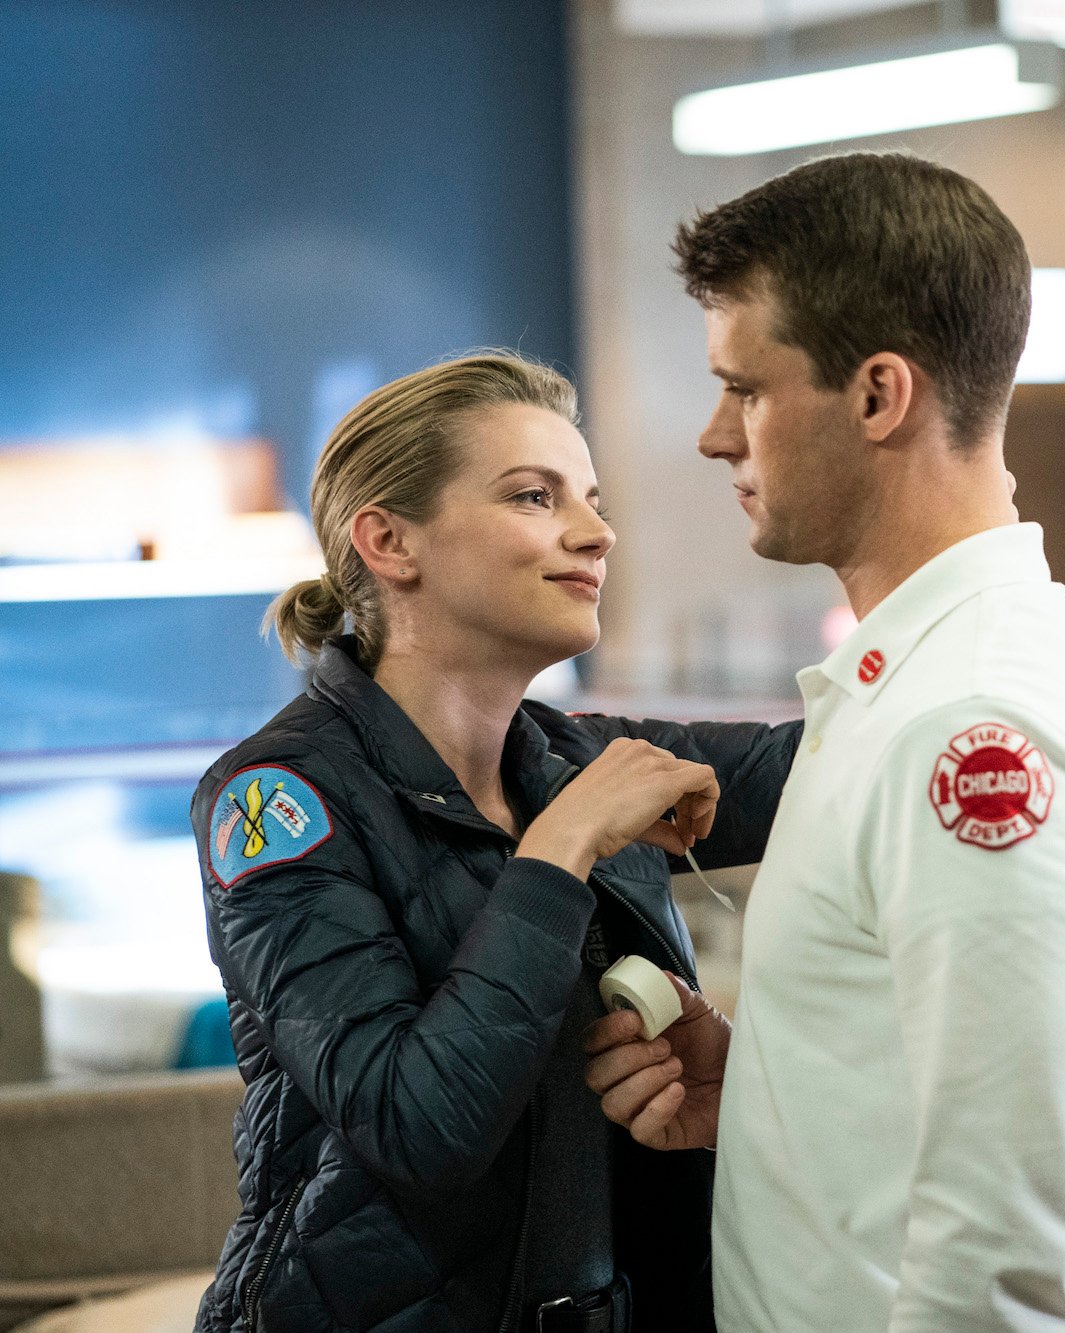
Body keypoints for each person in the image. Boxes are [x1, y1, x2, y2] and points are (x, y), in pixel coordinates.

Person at [587, 153, 1065, 1330]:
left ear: (877, 396)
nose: (714, 436)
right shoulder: (921, 682)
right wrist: (769, 1088)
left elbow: (1002, 1262)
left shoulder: (966, 728)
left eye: (743, 388)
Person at [189, 353, 796, 1333]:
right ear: (388, 541)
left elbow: (855, 757)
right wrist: (557, 849)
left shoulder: (582, 760)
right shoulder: (277, 797)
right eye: (533, 495)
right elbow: (415, 1126)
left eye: (590, 499)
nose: (596, 532)